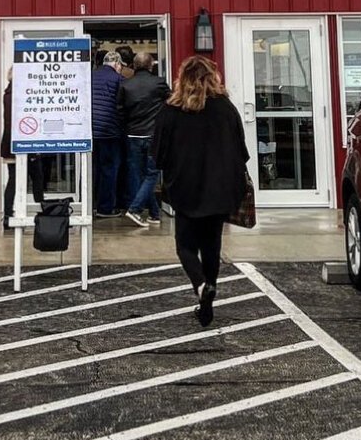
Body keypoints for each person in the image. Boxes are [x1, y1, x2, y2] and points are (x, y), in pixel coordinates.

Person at [152, 55, 249, 326]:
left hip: (185, 186)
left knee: (185, 245)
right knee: (211, 244)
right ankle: (209, 295)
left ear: (182, 79)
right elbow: (242, 151)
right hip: (220, 187)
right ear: (212, 77)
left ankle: (200, 286)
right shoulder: (226, 108)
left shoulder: (171, 110)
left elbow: (157, 155)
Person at [120, 50, 169, 226]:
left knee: (139, 176)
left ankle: (154, 214)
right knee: (152, 175)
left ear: (133, 65)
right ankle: (135, 209)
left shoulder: (126, 84)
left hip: (132, 134)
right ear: (150, 65)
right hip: (153, 135)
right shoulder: (159, 83)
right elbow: (171, 104)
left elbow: (120, 110)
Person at [1, 68, 51, 219]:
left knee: (14, 179)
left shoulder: (7, 95)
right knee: (36, 177)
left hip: (10, 142)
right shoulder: (21, 95)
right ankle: (41, 208)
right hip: (25, 141)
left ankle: (8, 214)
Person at [91, 49, 126, 216]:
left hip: (89, 131)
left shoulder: (89, 76)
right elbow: (123, 106)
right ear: (117, 64)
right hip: (109, 130)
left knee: (92, 168)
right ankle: (106, 208)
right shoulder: (119, 79)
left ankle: (89, 204)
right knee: (109, 169)